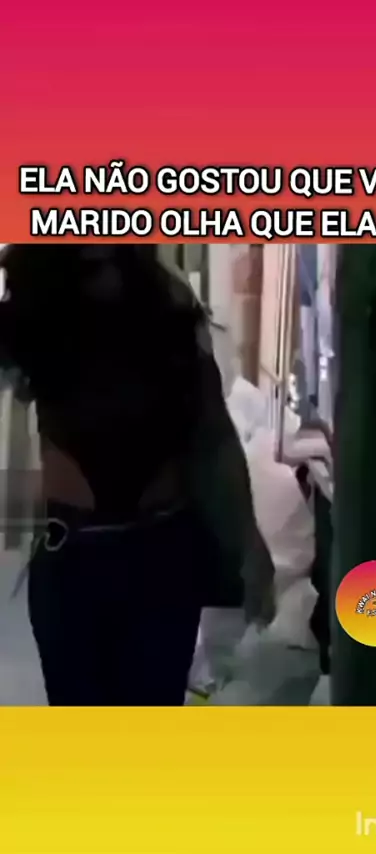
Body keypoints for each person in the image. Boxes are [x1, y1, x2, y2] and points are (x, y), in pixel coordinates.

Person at [0, 244, 275, 706]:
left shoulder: (165, 297)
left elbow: (213, 435)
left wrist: (248, 542)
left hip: (159, 554)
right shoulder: (36, 292)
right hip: (75, 557)